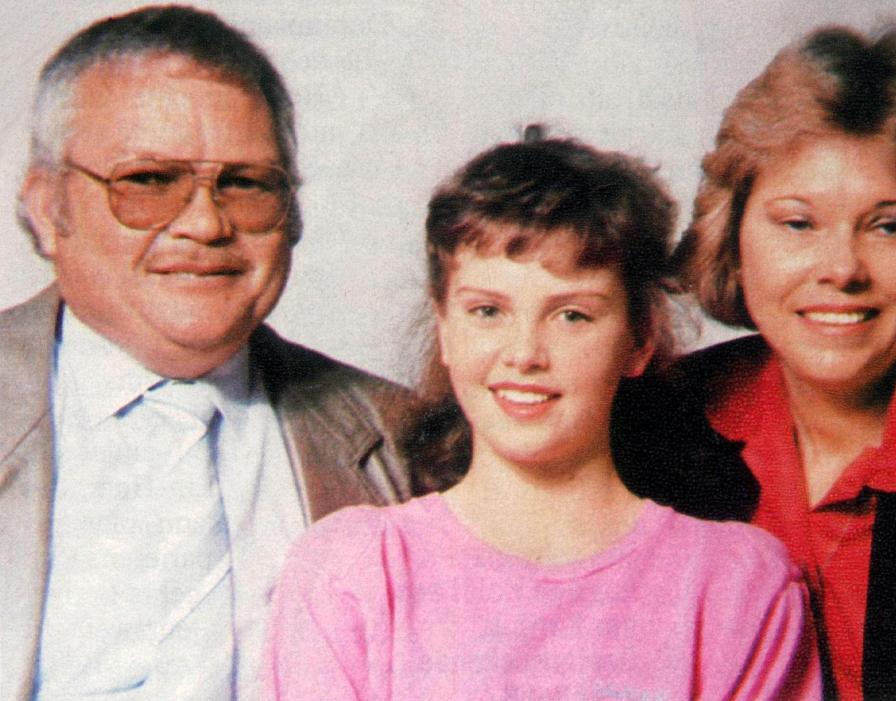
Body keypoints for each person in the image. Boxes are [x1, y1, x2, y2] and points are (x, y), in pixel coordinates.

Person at [262, 133, 821, 700]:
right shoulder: (351, 573)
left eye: (572, 316)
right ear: (445, 329)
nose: (524, 353)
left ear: (639, 339)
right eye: (487, 311)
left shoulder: (735, 587)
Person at [1, 6, 410, 700]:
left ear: (294, 213)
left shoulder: (409, 436)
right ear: (47, 207)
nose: (203, 223)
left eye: (245, 184)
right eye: (148, 182)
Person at [628, 24, 896, 700]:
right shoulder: (659, 422)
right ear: (732, 232)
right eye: (797, 224)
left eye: (889, 224)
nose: (839, 268)